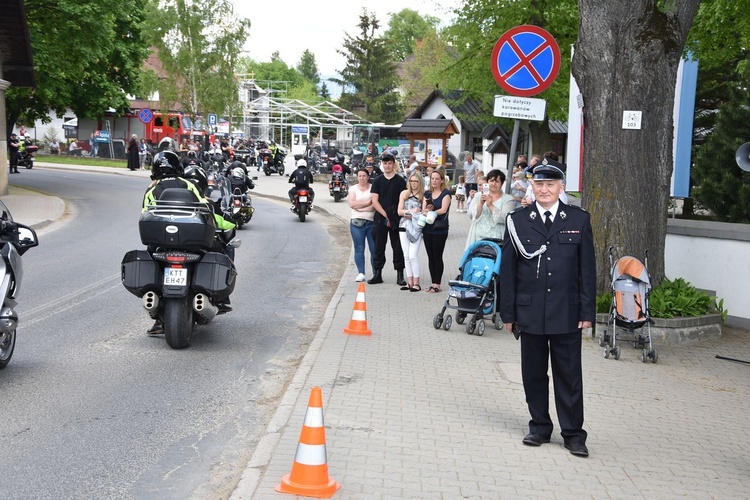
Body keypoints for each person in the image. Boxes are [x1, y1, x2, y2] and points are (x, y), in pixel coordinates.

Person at [500, 164, 596, 459]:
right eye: (539, 184)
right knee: (533, 374)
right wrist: (508, 313)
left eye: (550, 184)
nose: (544, 189)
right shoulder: (517, 220)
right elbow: (508, 270)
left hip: (567, 312)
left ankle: (573, 434)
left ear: (560, 187)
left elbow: (587, 271)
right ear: (532, 186)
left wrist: (587, 312)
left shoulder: (579, 219)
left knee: (569, 375)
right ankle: (540, 426)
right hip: (530, 311)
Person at [142, 150, 237, 334]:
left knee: (152, 261)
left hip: (162, 242)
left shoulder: (151, 190)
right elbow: (205, 208)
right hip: (191, 240)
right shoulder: (188, 185)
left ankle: (159, 318)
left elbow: (145, 214)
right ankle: (221, 298)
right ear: (178, 167)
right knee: (218, 252)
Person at [368, 153, 407, 286]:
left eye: (389, 163)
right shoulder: (377, 181)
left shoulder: (400, 181)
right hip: (380, 218)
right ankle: (377, 274)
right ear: (382, 164)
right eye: (385, 163)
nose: (387, 165)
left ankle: (400, 275)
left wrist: (393, 216)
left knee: (398, 247)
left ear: (394, 164)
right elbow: (375, 201)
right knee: (379, 247)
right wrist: (386, 215)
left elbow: (403, 200)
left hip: (396, 218)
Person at [465, 169, 514, 249]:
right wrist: (480, 203)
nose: (494, 184)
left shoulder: (508, 199)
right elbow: (471, 215)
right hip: (478, 239)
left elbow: (506, 219)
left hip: (498, 242)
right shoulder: (478, 196)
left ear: (502, 183)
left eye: (497, 181)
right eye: (491, 181)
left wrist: (490, 205)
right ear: (487, 182)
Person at [422, 169, 451, 293]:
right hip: (427, 228)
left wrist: (431, 212)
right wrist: (426, 211)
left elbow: (444, 210)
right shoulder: (427, 194)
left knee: (437, 256)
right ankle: (432, 282)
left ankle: (437, 284)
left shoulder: (446, 193)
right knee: (430, 256)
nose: (434, 181)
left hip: (439, 229)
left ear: (442, 180)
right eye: (432, 178)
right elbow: (423, 209)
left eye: (437, 179)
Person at [397, 172, 426, 292]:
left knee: (413, 255)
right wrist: (412, 212)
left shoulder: (423, 195)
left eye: (416, 181)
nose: (413, 184)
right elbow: (399, 211)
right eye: (411, 181)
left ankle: (416, 283)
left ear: (420, 182)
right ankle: (409, 282)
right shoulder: (404, 193)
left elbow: (423, 213)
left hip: (416, 228)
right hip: (403, 226)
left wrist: (409, 213)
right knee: (406, 256)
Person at [347, 168, 376, 283]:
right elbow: (352, 204)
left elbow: (374, 206)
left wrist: (360, 207)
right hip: (356, 223)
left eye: (364, 176)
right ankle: (361, 272)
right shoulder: (353, 189)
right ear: (357, 177)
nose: (362, 178)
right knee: (359, 248)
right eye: (360, 176)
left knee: (374, 249)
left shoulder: (373, 188)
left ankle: (376, 272)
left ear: (368, 177)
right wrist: (367, 203)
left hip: (371, 222)